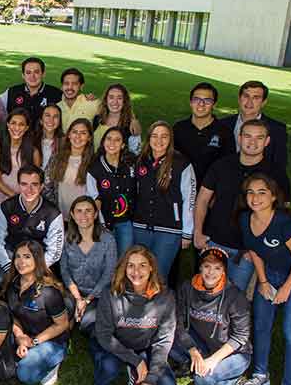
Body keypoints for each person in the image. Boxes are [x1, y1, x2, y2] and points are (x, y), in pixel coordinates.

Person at [234, 173, 291, 385]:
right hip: (271, 273)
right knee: (261, 324)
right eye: (250, 192)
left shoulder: (285, 223)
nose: (255, 197)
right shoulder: (245, 219)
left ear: (273, 197)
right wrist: (262, 281)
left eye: (262, 192)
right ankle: (261, 374)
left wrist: (286, 289)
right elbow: (255, 251)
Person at [193, 120, 291, 291]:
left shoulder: (275, 173)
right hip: (214, 243)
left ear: (267, 141)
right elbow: (202, 199)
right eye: (247, 136)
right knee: (206, 294)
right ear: (239, 138)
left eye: (259, 138)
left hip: (247, 251)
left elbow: (283, 213)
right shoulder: (221, 165)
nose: (252, 142)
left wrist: (261, 248)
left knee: (236, 298)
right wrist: (198, 232)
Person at [91, 245, 177, 385]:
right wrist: (136, 361)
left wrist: (151, 379)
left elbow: (164, 340)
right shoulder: (111, 292)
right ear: (124, 268)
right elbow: (104, 335)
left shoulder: (165, 296)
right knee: (109, 367)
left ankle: (135, 374)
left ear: (151, 267)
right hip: (112, 345)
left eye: (142, 265)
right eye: (131, 265)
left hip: (143, 347)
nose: (136, 271)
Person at [170, 247, 252, 385]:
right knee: (165, 335)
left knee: (203, 381)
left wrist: (214, 360)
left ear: (224, 271)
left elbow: (241, 336)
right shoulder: (187, 287)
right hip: (203, 344)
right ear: (200, 267)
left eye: (217, 268)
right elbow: (179, 321)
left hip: (233, 352)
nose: (211, 272)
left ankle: (236, 380)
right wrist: (192, 350)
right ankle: (193, 363)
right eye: (207, 266)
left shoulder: (235, 296)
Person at [132, 121, 195, 280]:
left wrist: (187, 232)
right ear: (149, 138)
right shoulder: (140, 161)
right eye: (154, 136)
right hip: (140, 226)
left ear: (170, 139)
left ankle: (160, 297)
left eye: (164, 136)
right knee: (139, 274)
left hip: (169, 230)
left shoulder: (181, 163)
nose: (159, 140)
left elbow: (189, 197)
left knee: (159, 275)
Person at [5, 240, 71, 385]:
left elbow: (62, 324)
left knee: (25, 374)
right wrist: (20, 337)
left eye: (27, 257)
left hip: (51, 341)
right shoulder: (12, 285)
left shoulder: (49, 291)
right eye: (18, 256)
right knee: (5, 363)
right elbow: (13, 317)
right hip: (26, 337)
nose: (21, 262)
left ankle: (53, 364)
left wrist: (33, 342)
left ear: (37, 259)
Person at [0, 166, 65, 273]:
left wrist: (35, 270)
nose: (29, 190)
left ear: (41, 186)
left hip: (39, 260)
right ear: (18, 185)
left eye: (34, 184)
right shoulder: (7, 207)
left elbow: (54, 251)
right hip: (11, 257)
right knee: (0, 281)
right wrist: (8, 267)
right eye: (24, 184)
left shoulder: (53, 213)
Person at [60, 196, 117, 333]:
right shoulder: (67, 238)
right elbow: (64, 270)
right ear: (72, 215)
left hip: (98, 294)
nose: (83, 215)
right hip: (73, 292)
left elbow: (109, 273)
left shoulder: (108, 239)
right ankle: (69, 322)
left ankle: (80, 318)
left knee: (88, 323)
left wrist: (87, 300)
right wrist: (78, 298)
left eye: (88, 210)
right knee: (62, 311)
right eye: (79, 211)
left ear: (95, 214)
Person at [219, 80, 289, 175]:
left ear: (263, 102)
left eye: (256, 98)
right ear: (239, 99)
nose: (249, 102)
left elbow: (279, 167)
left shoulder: (277, 130)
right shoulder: (222, 124)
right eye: (246, 96)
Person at [172, 82, 234, 184]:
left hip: (210, 189)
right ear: (190, 102)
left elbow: (227, 166)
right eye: (196, 99)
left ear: (214, 104)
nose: (201, 104)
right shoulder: (178, 128)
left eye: (207, 100)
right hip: (181, 185)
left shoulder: (224, 132)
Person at [89, 126, 137, 254]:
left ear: (123, 145)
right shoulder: (95, 168)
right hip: (104, 223)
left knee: (124, 257)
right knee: (106, 258)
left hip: (126, 222)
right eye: (109, 139)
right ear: (103, 142)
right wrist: (101, 224)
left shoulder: (130, 165)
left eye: (117, 140)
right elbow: (93, 198)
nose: (112, 143)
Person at [46, 118, 99, 219]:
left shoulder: (94, 162)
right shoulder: (57, 157)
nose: (78, 136)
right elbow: (47, 186)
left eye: (83, 133)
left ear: (89, 138)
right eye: (74, 132)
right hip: (60, 217)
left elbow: (97, 195)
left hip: (84, 219)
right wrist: (53, 213)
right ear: (69, 135)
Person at [0, 108, 40, 209]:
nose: (17, 127)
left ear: (26, 128)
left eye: (21, 124)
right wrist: (16, 198)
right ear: (8, 125)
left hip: (24, 202)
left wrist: (23, 200)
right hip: (0, 202)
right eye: (13, 123)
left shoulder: (34, 152)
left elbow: (35, 181)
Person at [3, 57, 62, 125]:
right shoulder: (11, 92)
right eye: (28, 72)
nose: (32, 76)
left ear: (43, 74)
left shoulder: (56, 94)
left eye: (36, 72)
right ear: (23, 75)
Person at [93, 83, 142, 153]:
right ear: (106, 100)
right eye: (111, 97)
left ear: (124, 101)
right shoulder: (97, 120)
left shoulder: (131, 126)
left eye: (119, 98)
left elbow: (136, 153)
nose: (115, 102)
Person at [34, 103, 64, 171]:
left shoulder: (65, 142)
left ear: (59, 121)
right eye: (47, 115)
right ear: (41, 120)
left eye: (55, 117)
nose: (51, 120)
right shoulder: (31, 141)